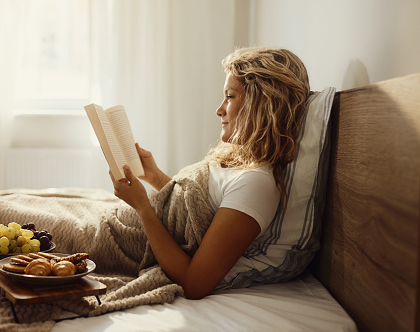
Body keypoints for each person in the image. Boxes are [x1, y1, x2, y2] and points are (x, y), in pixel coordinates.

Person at [109, 47, 310, 299]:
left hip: (125, 239)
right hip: (122, 221)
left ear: (261, 105)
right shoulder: (239, 159)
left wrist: (142, 207)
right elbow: (196, 212)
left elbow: (195, 283)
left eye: (230, 97)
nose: (220, 109)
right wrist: (156, 178)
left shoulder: (256, 183)